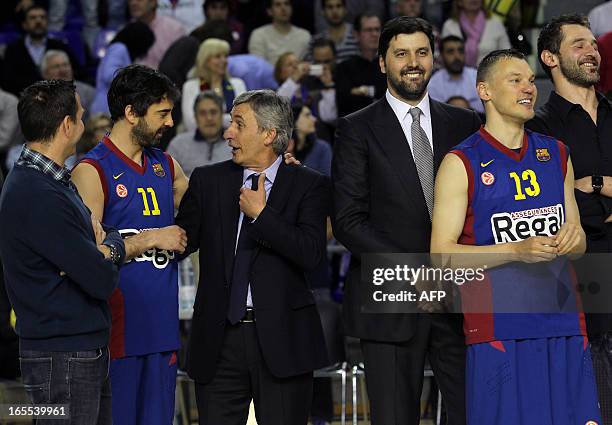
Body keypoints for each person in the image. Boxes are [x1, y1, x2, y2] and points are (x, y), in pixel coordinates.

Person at [430, 48, 601, 425]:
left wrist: (576, 242)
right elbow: (441, 255)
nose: (529, 87)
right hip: (499, 328)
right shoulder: (461, 162)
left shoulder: (557, 154)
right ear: (485, 91)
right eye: (515, 80)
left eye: (530, 79)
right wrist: (515, 251)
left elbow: (579, 240)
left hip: (564, 323)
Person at [331, 16, 481, 425]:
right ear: (382, 63)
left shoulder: (465, 123)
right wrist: (418, 270)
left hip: (459, 302)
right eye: (401, 54)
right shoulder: (355, 129)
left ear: (433, 59)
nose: (413, 62)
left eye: (421, 52)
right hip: (392, 300)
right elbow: (348, 221)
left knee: (474, 412)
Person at [175, 89, 329, 424]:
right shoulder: (208, 180)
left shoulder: (309, 184)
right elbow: (180, 242)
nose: (228, 132)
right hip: (218, 341)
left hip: (284, 340)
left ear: (269, 134)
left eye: (238, 124)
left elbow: (311, 254)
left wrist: (262, 217)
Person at [0, 79, 126, 423]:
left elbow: (104, 235)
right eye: (82, 117)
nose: (85, 125)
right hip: (64, 354)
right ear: (67, 125)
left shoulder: (49, 180)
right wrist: (108, 251)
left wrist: (104, 246)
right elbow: (100, 279)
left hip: (72, 350)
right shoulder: (37, 193)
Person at [71, 65, 189, 425]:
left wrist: (270, 174)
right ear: (132, 113)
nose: (170, 123)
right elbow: (87, 258)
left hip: (163, 330)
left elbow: (212, 201)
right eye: (162, 114)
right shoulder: (91, 170)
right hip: (117, 335)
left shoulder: (166, 165)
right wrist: (153, 237)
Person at [525, 13, 612, 423]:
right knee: (592, 398)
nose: (591, 50)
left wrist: (590, 184)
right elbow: (555, 210)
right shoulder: (539, 131)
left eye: (593, 44)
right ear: (550, 57)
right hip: (580, 273)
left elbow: (578, 195)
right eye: (578, 44)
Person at [1, 4, 82, 96]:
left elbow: (77, 71)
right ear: (24, 25)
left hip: (57, 97)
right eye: (33, 18)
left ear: (47, 22)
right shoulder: (13, 49)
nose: (38, 21)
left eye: (42, 17)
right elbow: (7, 80)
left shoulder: (59, 46)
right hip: (23, 100)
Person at [181, 38, 247, 132]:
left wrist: (208, 119)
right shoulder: (190, 86)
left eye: (225, 56)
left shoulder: (237, 84)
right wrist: (230, 119)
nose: (224, 60)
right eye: (218, 56)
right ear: (205, 60)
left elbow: (244, 119)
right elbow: (191, 124)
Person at [90, 22, 155, 115]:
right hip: (105, 107)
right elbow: (108, 75)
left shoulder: (123, 51)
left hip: (112, 105)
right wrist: (135, 79)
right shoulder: (119, 48)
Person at [167, 91, 232, 177]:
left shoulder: (236, 143)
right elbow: (167, 180)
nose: (209, 118)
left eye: (213, 112)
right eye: (202, 113)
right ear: (195, 117)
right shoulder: (178, 145)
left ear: (222, 115)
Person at [334, 12, 386, 117]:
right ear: (356, 35)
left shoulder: (390, 65)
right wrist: (377, 91)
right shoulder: (344, 68)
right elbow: (344, 103)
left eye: (377, 29)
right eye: (368, 30)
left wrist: (363, 91)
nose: (374, 34)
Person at [441, 0, 510, 67]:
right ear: (459, 2)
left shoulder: (495, 22)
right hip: (458, 76)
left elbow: (508, 54)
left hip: (492, 74)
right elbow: (445, 57)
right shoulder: (449, 25)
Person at [428, 35, 483, 112]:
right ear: (441, 56)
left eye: (460, 51)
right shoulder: (433, 85)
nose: (457, 56)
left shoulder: (478, 77)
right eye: (450, 52)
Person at [248, 0, 312, 66]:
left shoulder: (305, 36)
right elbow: (258, 68)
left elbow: (308, 65)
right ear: (269, 11)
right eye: (278, 5)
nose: (283, 8)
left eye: (287, 4)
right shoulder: (259, 35)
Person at [129, 0, 185, 69]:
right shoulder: (125, 32)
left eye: (139, 0)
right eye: (130, 0)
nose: (133, 3)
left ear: (153, 2)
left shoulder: (174, 29)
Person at [41, 50, 95, 118]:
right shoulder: (39, 97)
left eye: (65, 65)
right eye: (56, 66)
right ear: (45, 73)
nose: (62, 70)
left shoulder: (88, 93)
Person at [288, 101, 332, 175]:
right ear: (294, 120)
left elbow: (327, 180)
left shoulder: (322, 147)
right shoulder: (281, 147)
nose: (314, 119)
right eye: (307, 115)